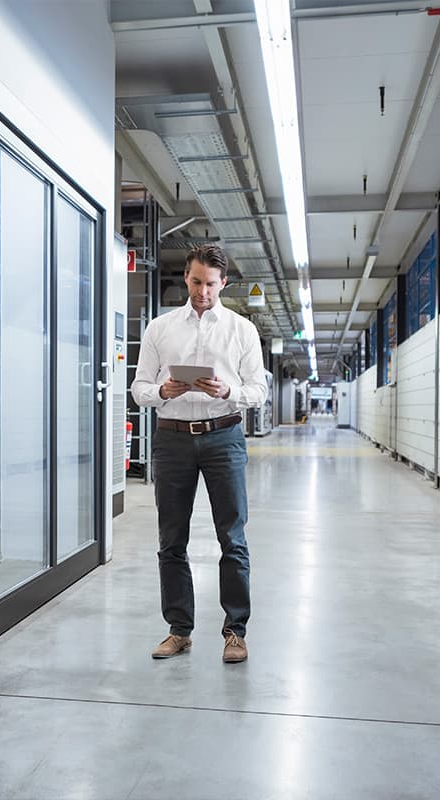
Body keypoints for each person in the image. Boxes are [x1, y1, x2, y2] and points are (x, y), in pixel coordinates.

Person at [131, 244, 267, 663]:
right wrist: (162, 392)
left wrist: (229, 391)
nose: (202, 291)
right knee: (171, 539)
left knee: (233, 537)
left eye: (210, 284)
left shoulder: (242, 330)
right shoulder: (160, 328)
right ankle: (179, 629)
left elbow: (258, 391)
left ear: (223, 283)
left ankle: (235, 631)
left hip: (224, 436)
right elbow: (139, 388)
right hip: (172, 439)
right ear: (185, 279)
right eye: (195, 281)